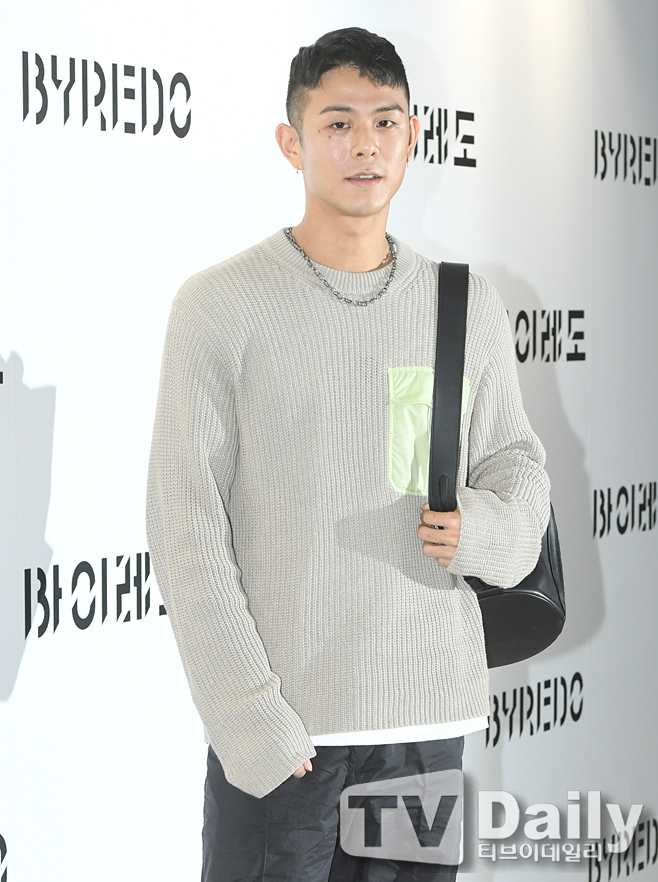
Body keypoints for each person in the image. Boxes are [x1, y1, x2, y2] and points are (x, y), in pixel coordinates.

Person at [145, 26, 551, 882]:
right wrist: (252, 723)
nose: (365, 144)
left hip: (423, 737)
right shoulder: (219, 306)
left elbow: (519, 475)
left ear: (413, 136)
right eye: (337, 123)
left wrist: (479, 531)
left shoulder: (461, 304)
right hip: (284, 744)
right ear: (292, 142)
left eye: (385, 121)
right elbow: (186, 529)